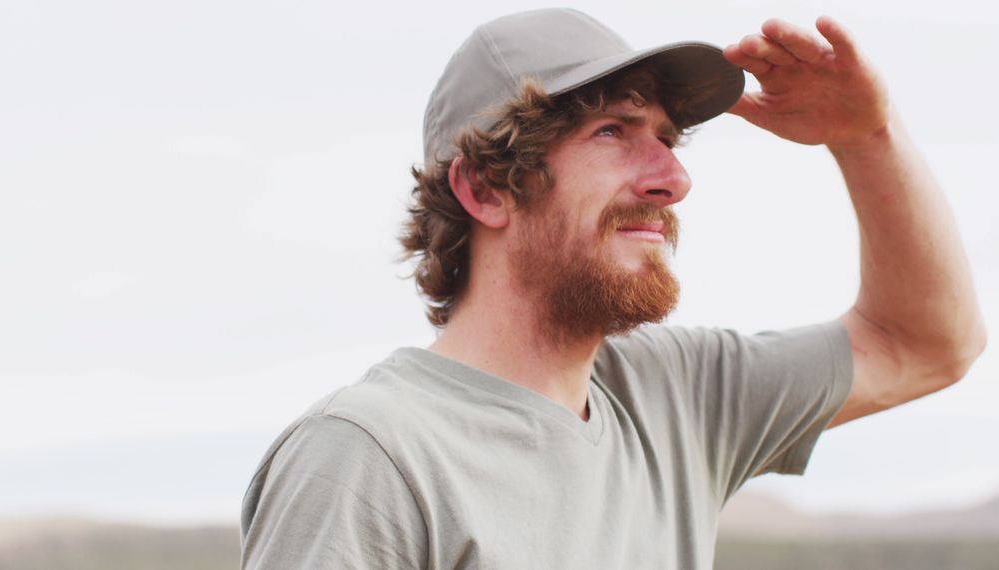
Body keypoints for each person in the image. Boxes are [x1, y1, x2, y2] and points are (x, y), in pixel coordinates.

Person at [240, 8, 986, 569]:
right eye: (611, 132)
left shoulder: (675, 395)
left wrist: (865, 137)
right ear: (486, 189)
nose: (673, 179)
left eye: (665, 137)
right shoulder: (368, 458)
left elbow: (924, 343)